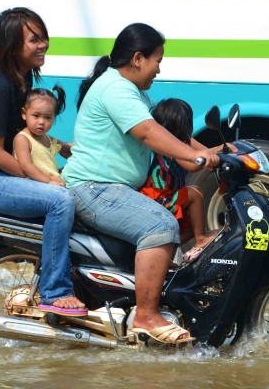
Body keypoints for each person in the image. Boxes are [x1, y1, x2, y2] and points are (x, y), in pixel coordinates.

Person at [62, 23, 221, 344]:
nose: (159, 70)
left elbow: (169, 133)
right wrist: (200, 159)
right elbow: (148, 132)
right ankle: (147, 316)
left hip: (112, 189)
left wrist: (215, 152)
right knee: (161, 226)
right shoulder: (116, 89)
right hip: (95, 189)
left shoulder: (133, 92)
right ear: (138, 58)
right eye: (157, 60)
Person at [0, 8, 86, 317]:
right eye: (34, 39)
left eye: (44, 38)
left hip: (4, 176)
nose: (43, 45)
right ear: (11, 44)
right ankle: (56, 292)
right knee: (58, 201)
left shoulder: (22, 80)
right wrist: (40, 179)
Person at [140, 99, 235, 263]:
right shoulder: (168, 145)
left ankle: (166, 254)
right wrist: (217, 152)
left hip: (169, 196)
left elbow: (203, 152)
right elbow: (192, 164)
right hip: (157, 199)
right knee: (195, 193)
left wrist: (220, 152)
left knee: (189, 227)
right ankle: (201, 239)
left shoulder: (183, 140)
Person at [13, 84, 72, 187]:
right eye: (36, 116)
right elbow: (26, 166)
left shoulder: (48, 139)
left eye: (48, 118)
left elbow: (68, 147)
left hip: (52, 182)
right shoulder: (22, 139)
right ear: (24, 113)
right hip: (34, 184)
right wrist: (48, 180)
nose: (41, 122)